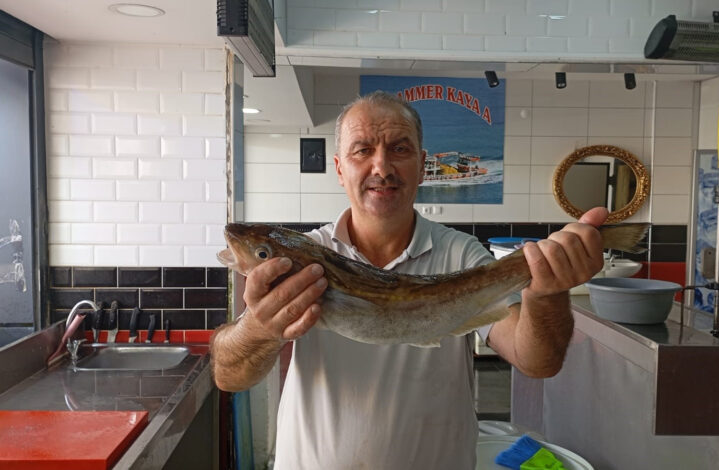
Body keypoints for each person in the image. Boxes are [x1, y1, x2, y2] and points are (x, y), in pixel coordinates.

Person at [211, 91, 607, 469]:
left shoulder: (462, 255)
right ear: (339, 168)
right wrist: (256, 329)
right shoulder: (301, 258)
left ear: (422, 165)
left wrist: (546, 294)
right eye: (362, 150)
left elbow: (538, 362)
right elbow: (229, 376)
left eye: (399, 149)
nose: (381, 167)